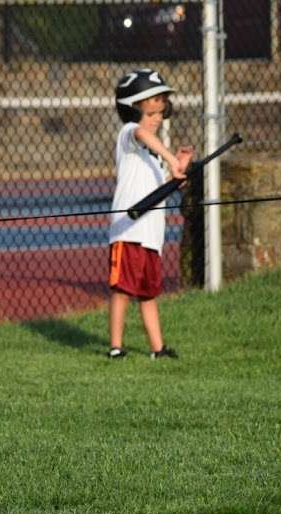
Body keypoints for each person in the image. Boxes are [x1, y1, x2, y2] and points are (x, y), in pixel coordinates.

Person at [108, 68, 193, 360]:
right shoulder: (128, 136)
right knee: (122, 289)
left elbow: (163, 186)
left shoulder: (155, 158)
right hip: (128, 231)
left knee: (148, 293)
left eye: (160, 113)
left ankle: (158, 348)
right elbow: (142, 133)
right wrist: (171, 158)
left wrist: (177, 168)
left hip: (150, 237)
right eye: (152, 110)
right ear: (135, 106)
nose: (157, 118)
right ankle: (116, 346)